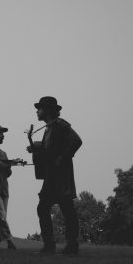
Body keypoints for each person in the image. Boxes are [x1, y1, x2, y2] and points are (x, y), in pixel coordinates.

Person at [27, 97, 82, 255]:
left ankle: (71, 245)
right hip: (51, 177)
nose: (37, 111)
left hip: (61, 177)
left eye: (40, 108)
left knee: (67, 210)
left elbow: (76, 141)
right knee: (43, 208)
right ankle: (50, 245)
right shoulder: (50, 128)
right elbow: (50, 149)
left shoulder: (60, 124)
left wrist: (62, 158)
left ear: (47, 110)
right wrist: (36, 148)